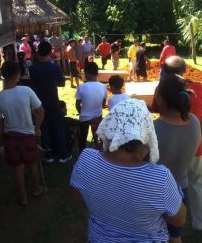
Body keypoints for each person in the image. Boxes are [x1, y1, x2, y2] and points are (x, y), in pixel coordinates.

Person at [70, 99, 186, 243]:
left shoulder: (86, 159)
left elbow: (77, 197)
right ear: (145, 133)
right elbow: (179, 220)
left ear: (111, 126)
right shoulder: (160, 178)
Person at [162, 56, 202, 231]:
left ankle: (169, 220)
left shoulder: (162, 89)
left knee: (169, 183)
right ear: (184, 70)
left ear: (165, 72)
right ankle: (200, 222)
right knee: (198, 183)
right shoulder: (198, 87)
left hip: (169, 145)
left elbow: (155, 108)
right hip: (197, 146)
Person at [153, 74, 201, 242]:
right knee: (175, 236)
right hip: (181, 189)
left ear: (160, 99)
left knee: (152, 234)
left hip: (155, 192)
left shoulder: (153, 128)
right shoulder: (194, 122)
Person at [0, 61, 47, 205]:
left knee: (17, 167)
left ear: (2, 75)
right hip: (28, 134)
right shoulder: (26, 91)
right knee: (32, 163)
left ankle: (23, 197)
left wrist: (2, 138)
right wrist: (37, 128)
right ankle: (37, 188)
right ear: (18, 74)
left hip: (10, 135)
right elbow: (40, 111)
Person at [29, 42, 72, 163]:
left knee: (43, 128)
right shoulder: (54, 67)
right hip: (53, 101)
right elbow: (62, 82)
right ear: (50, 52)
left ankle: (48, 154)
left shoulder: (32, 68)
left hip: (38, 103)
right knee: (59, 128)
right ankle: (63, 154)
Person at [75, 62, 107, 152]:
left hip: (84, 117)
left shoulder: (81, 87)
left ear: (87, 73)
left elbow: (77, 104)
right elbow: (103, 104)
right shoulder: (103, 86)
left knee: (82, 138)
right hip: (98, 115)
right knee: (97, 136)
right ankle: (98, 150)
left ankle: (82, 152)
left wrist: (82, 112)